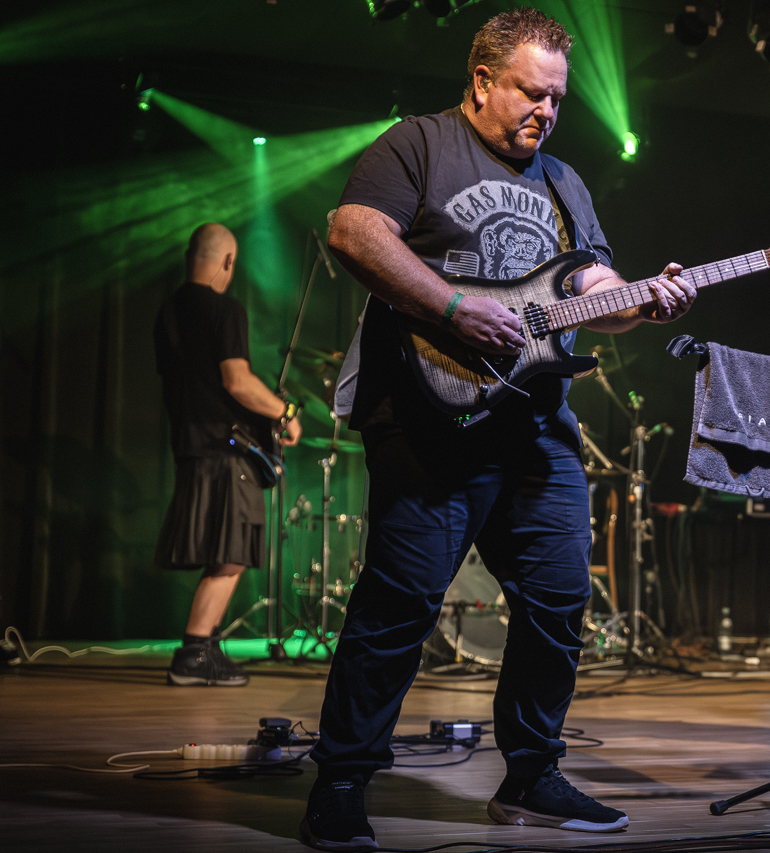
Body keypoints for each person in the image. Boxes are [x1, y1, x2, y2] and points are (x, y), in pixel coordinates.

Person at [300, 9, 696, 849]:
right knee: (401, 601)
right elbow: (353, 231)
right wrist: (452, 306)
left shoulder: (565, 182)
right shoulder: (418, 144)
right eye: (532, 92)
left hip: (536, 423)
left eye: (557, 99)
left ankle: (531, 777)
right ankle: (340, 780)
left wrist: (642, 299)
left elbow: (591, 288)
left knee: (560, 595)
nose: (546, 111)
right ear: (482, 81)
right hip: (428, 415)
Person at [154, 223, 302, 687]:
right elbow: (236, 381)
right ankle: (193, 654)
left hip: (190, 443)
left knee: (221, 553)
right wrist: (286, 411)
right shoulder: (225, 309)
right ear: (228, 261)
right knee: (231, 555)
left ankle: (207, 649)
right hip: (227, 447)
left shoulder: (167, 312)